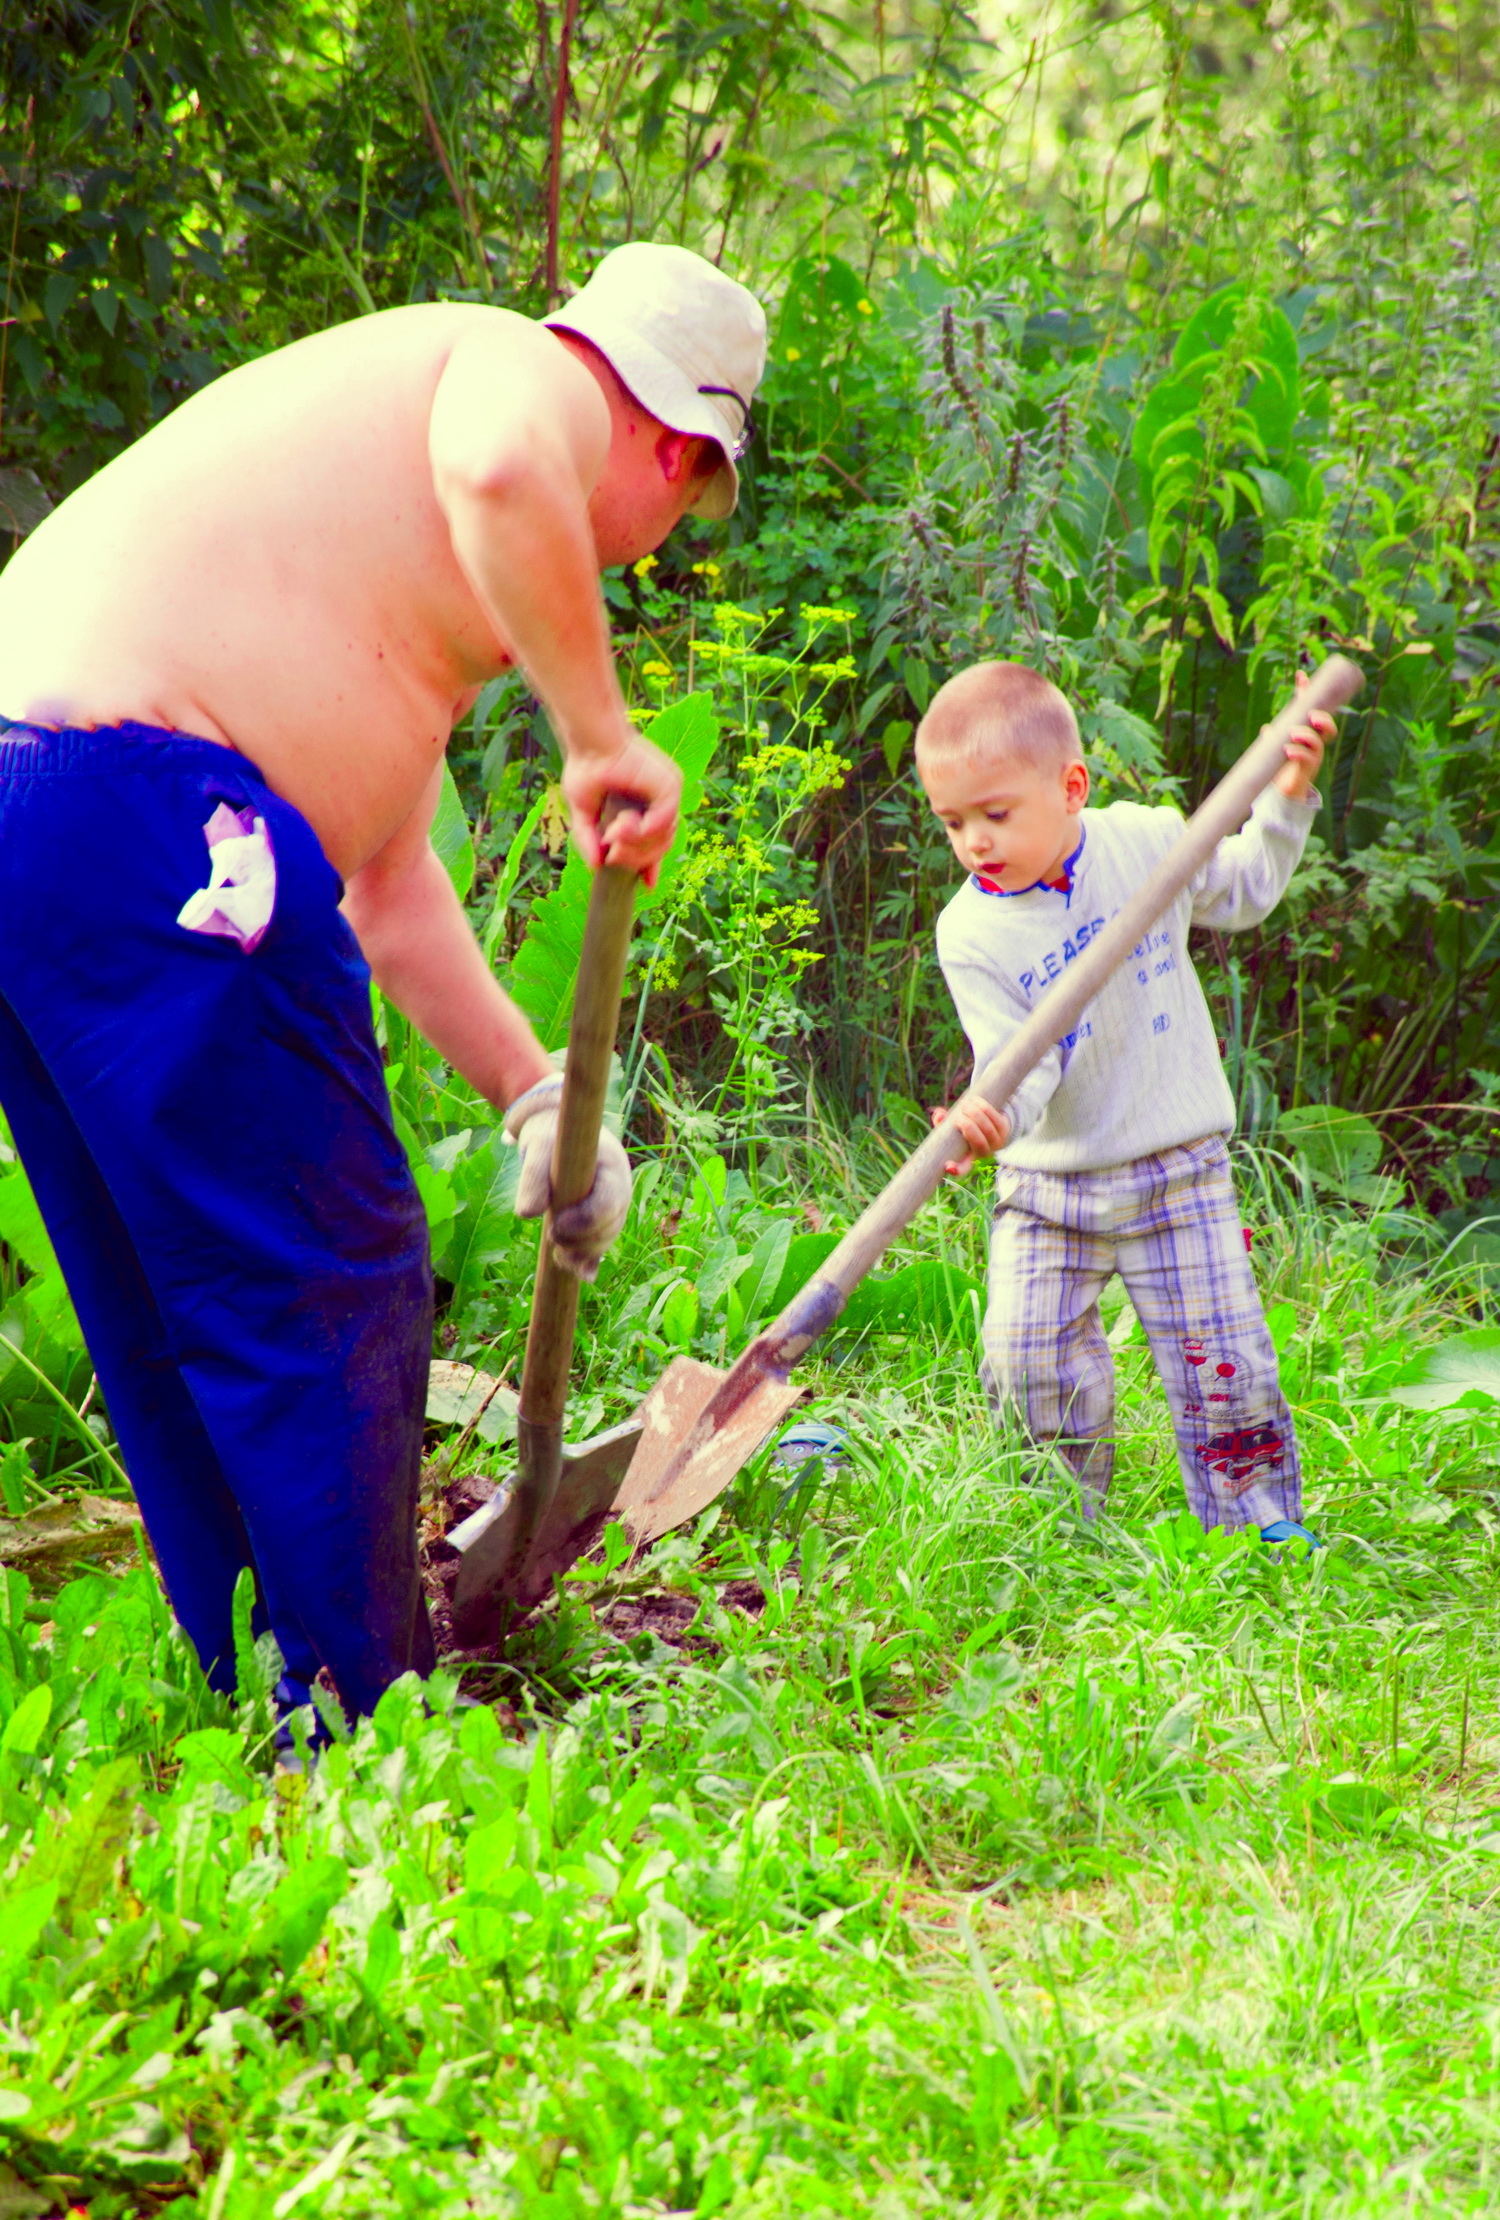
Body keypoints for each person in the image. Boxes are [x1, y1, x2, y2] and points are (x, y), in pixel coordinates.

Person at [0, 240, 767, 1724]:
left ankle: (262, 1687)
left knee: (172, 1286)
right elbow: (501, 476)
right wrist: (600, 732)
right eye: (678, 509)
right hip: (153, 804)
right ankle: (362, 1715)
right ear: (669, 442)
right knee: (328, 1256)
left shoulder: (370, 562)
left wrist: (542, 1096)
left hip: (40, 814)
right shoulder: (517, 379)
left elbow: (392, 889)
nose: (653, 553)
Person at [917, 660, 1334, 1543]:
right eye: (953, 822)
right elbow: (1018, 1066)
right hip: (1047, 1191)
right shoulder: (972, 930)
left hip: (1176, 1169)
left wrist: (1287, 793)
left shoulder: (1145, 842)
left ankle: (1255, 1527)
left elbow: (1248, 887)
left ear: (1072, 788)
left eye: (995, 814)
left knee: (1227, 1366)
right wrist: (993, 1117)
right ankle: (1060, 1530)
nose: (974, 842)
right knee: (1025, 1358)